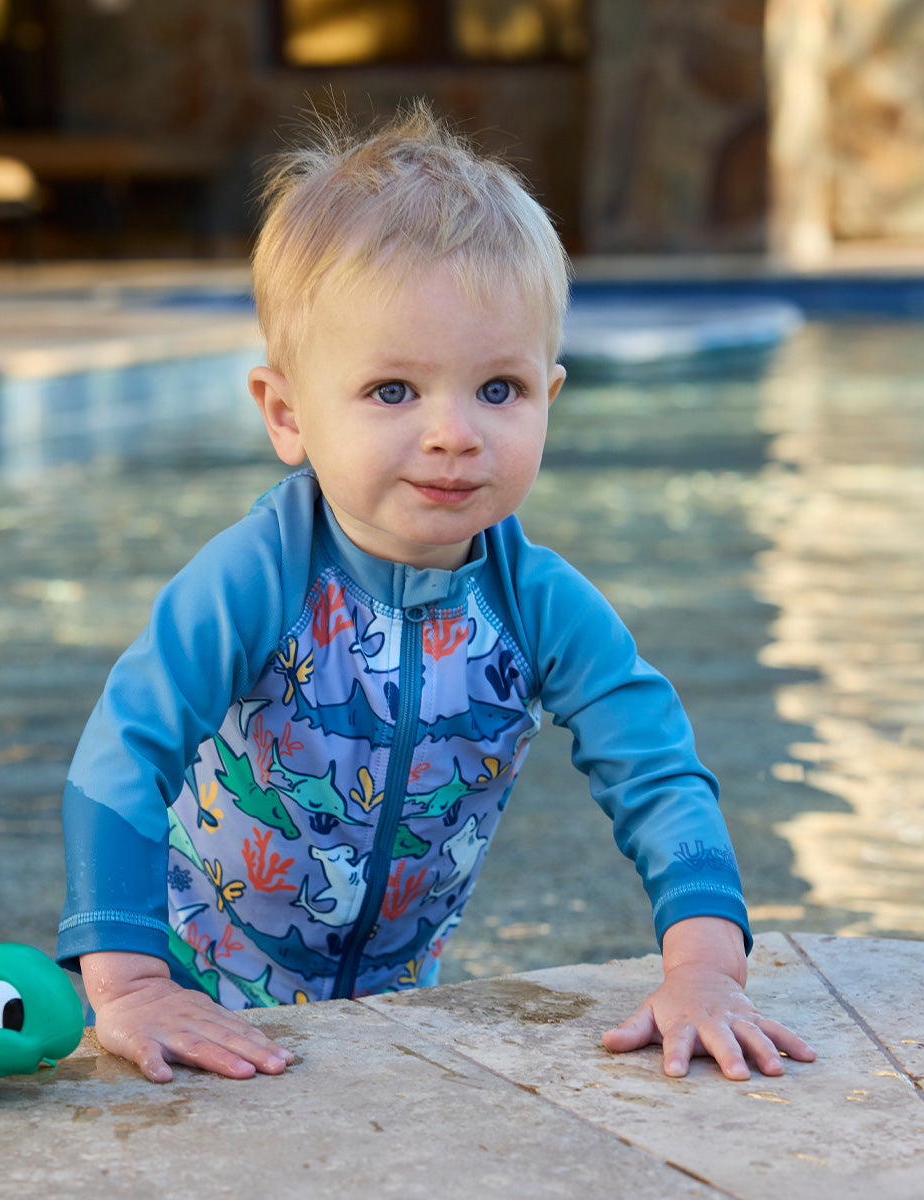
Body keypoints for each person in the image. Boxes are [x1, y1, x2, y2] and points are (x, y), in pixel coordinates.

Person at [57, 102, 815, 1085]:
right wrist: (130, 984)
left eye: (500, 389)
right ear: (286, 414)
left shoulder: (539, 605)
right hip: (190, 988)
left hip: (393, 1011)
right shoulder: (257, 577)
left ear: (550, 397)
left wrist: (706, 971)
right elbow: (124, 751)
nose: (455, 433)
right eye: (394, 391)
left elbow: (659, 774)